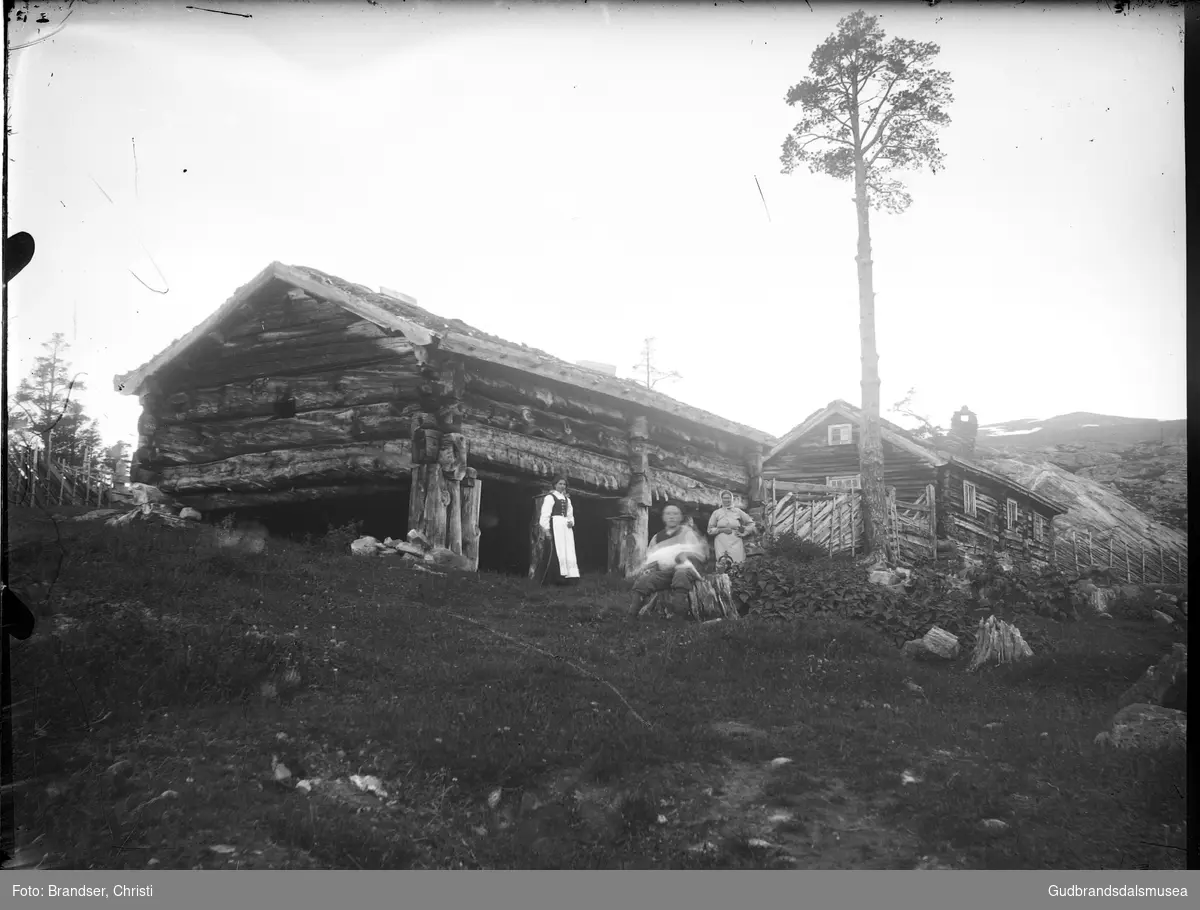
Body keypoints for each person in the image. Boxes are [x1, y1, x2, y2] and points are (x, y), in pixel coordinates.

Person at [629, 501, 708, 618]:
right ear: (663, 517)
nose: (672, 516)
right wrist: (649, 568)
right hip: (665, 572)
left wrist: (686, 554)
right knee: (644, 581)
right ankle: (631, 615)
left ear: (681, 517)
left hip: (686, 570)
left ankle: (678, 615)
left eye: (675, 514)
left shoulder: (687, 533)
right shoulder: (657, 537)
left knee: (680, 575)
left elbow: (700, 555)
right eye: (668, 514)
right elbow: (651, 559)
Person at [535, 476, 580, 586]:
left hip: (566, 528)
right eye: (560, 484)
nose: (562, 486)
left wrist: (571, 522)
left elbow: (570, 515)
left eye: (564, 484)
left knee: (567, 551)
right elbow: (545, 515)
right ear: (555, 485)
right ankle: (552, 580)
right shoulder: (550, 497)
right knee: (555, 551)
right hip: (555, 526)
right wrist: (547, 530)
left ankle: (567, 579)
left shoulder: (567, 499)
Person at [707, 489, 756, 568]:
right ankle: (723, 579)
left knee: (738, 564)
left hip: (736, 541)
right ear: (721, 499)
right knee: (723, 564)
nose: (727, 500)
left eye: (729, 498)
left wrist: (744, 532)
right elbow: (710, 530)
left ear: (732, 499)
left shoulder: (738, 511)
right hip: (721, 543)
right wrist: (721, 530)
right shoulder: (716, 513)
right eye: (725, 498)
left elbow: (751, 523)